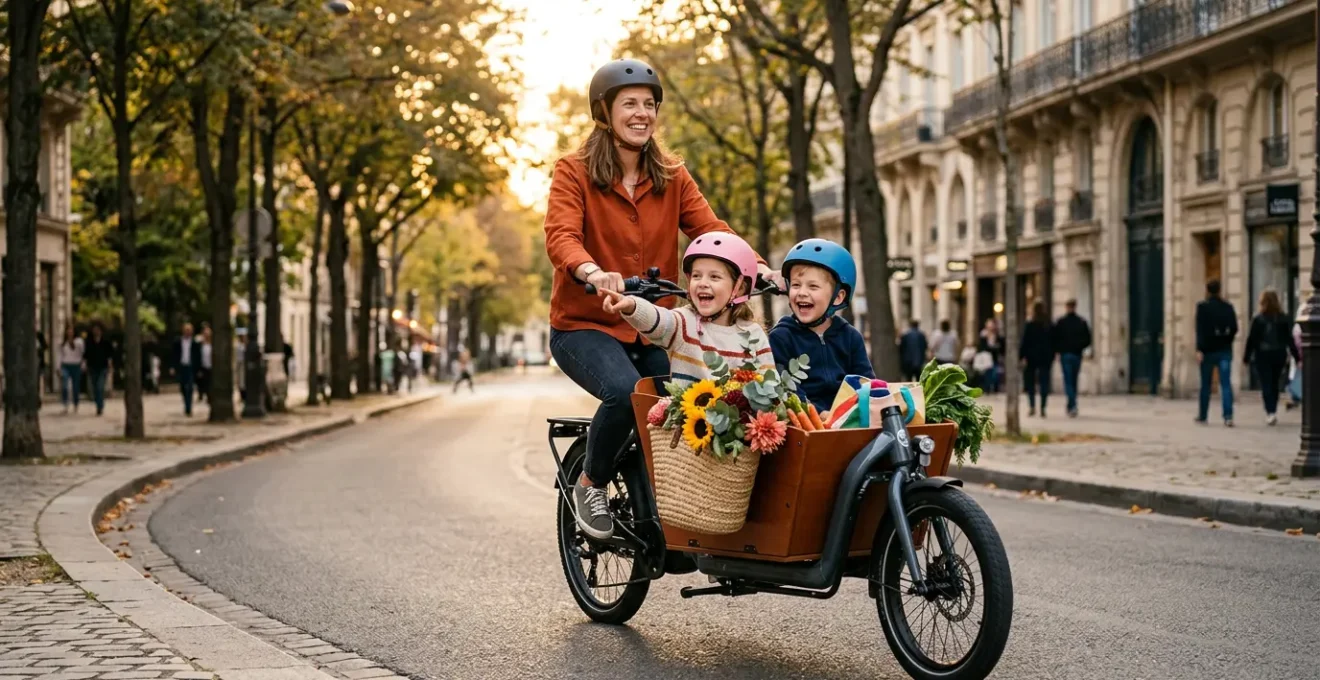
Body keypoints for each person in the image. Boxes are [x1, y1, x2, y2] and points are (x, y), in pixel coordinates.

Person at [545, 59, 779, 541]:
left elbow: (711, 229)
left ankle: (677, 501)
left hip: (653, 326)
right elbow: (561, 235)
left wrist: (759, 267)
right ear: (604, 112)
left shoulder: (672, 175)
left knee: (690, 398)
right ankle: (590, 483)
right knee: (626, 392)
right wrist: (592, 272)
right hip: (584, 325)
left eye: (649, 104)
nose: (642, 113)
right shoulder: (574, 171)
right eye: (629, 103)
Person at [601, 234, 772, 392]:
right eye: (697, 276)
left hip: (740, 415)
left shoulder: (754, 335)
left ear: (739, 288)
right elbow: (658, 319)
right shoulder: (684, 323)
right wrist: (631, 305)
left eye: (714, 277)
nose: (703, 283)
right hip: (687, 413)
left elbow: (770, 385)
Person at [768, 238, 872, 414]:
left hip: (848, 419)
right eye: (796, 285)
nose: (802, 292)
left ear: (837, 297)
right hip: (804, 422)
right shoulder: (781, 337)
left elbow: (865, 382)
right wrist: (818, 413)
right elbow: (787, 389)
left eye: (813, 286)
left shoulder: (850, 337)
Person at [1243, 289, 1298, 425]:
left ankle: (1270, 411)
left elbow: (1251, 340)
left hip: (1262, 354)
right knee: (1274, 383)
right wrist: (1297, 357)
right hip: (1279, 354)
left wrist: (1246, 357)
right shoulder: (1284, 318)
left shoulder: (1258, 319)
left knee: (1266, 383)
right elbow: (1289, 339)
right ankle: (1272, 409)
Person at [1195, 279, 1238, 427]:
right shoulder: (1228, 307)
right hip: (1224, 350)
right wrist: (1227, 340)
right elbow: (1234, 328)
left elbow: (1199, 330)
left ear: (1207, 290)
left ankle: (1203, 415)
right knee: (1225, 384)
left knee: (1205, 385)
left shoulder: (1202, 307)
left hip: (1207, 351)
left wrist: (1199, 349)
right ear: (1220, 290)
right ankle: (1228, 416)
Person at [1052, 299, 1092, 417]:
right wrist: (1080, 347)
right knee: (1073, 380)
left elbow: (1055, 338)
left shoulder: (1061, 322)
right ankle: (1072, 404)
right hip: (1076, 354)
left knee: (1068, 380)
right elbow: (1087, 339)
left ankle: (1071, 405)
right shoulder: (1081, 322)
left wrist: (1058, 349)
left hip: (1066, 354)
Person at [1019, 301, 1055, 418]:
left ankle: (1032, 406)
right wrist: (1052, 355)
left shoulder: (1031, 324)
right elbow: (1054, 341)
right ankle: (1043, 407)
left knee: (1030, 383)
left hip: (1031, 357)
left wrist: (1021, 356)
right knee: (1044, 382)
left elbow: (1025, 342)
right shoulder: (1048, 324)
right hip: (1045, 357)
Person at [172, 323, 203, 416]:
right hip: (181, 366)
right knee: (182, 387)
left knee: (190, 387)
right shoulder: (178, 342)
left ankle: (188, 407)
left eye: (189, 330)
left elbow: (198, 356)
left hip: (190, 366)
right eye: (186, 330)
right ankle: (186, 402)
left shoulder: (195, 343)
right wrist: (173, 367)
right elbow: (174, 355)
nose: (187, 332)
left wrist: (199, 369)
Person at [84, 323, 113, 416]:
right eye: (95, 330)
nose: (96, 331)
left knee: (100, 387)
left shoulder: (105, 341)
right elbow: (86, 354)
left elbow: (109, 354)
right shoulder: (89, 342)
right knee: (94, 388)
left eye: (98, 330)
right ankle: (98, 403)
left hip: (103, 367)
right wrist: (85, 364)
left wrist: (110, 364)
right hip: (92, 367)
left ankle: (100, 406)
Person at [57, 325, 85, 415]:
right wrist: (58, 367)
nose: (69, 332)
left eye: (71, 330)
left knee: (75, 387)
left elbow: (82, 354)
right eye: (68, 330)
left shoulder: (79, 342)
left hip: (76, 365)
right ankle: (65, 404)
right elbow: (60, 355)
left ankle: (76, 403)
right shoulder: (63, 343)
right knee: (65, 385)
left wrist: (83, 365)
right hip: (66, 365)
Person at [976, 318, 1004, 393]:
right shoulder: (983, 334)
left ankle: (995, 388)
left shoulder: (997, 334)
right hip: (986, 357)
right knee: (988, 373)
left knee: (995, 373)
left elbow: (1001, 344)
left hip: (994, 357)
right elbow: (982, 346)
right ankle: (987, 388)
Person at [197, 325, 213, 405]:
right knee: (204, 383)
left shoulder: (213, 344)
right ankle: (205, 395)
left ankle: (210, 397)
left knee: (211, 383)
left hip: (211, 366)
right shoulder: (200, 344)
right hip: (203, 366)